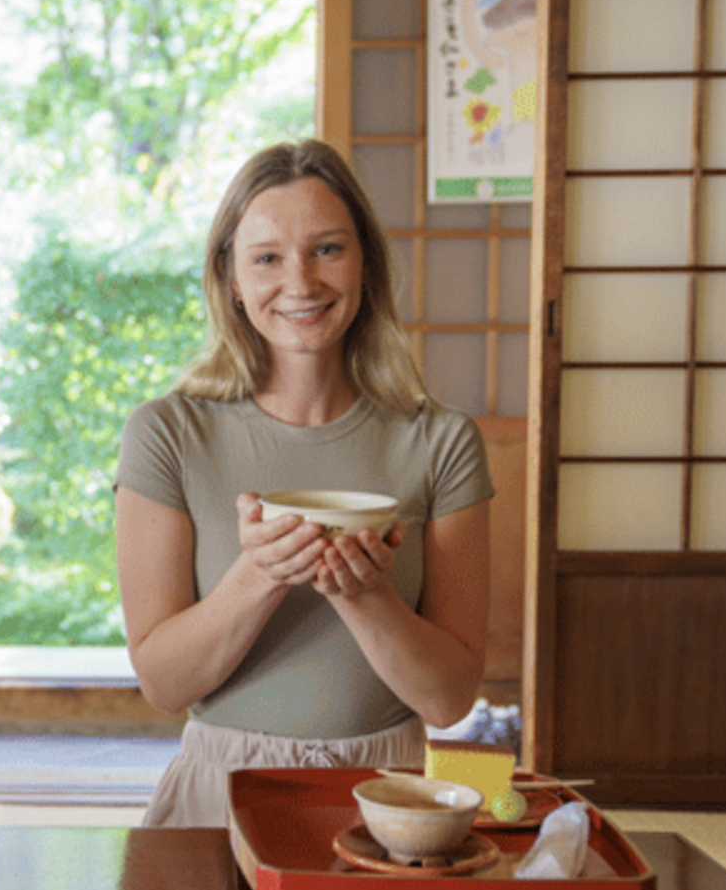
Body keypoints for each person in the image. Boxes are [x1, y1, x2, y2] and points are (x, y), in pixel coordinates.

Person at [114, 140, 492, 828]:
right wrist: (259, 574)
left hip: (388, 802)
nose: (300, 282)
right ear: (229, 276)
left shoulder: (441, 442)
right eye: (266, 258)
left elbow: (449, 701)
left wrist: (364, 593)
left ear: (366, 264)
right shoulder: (167, 433)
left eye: (327, 250)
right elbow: (165, 684)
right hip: (219, 793)